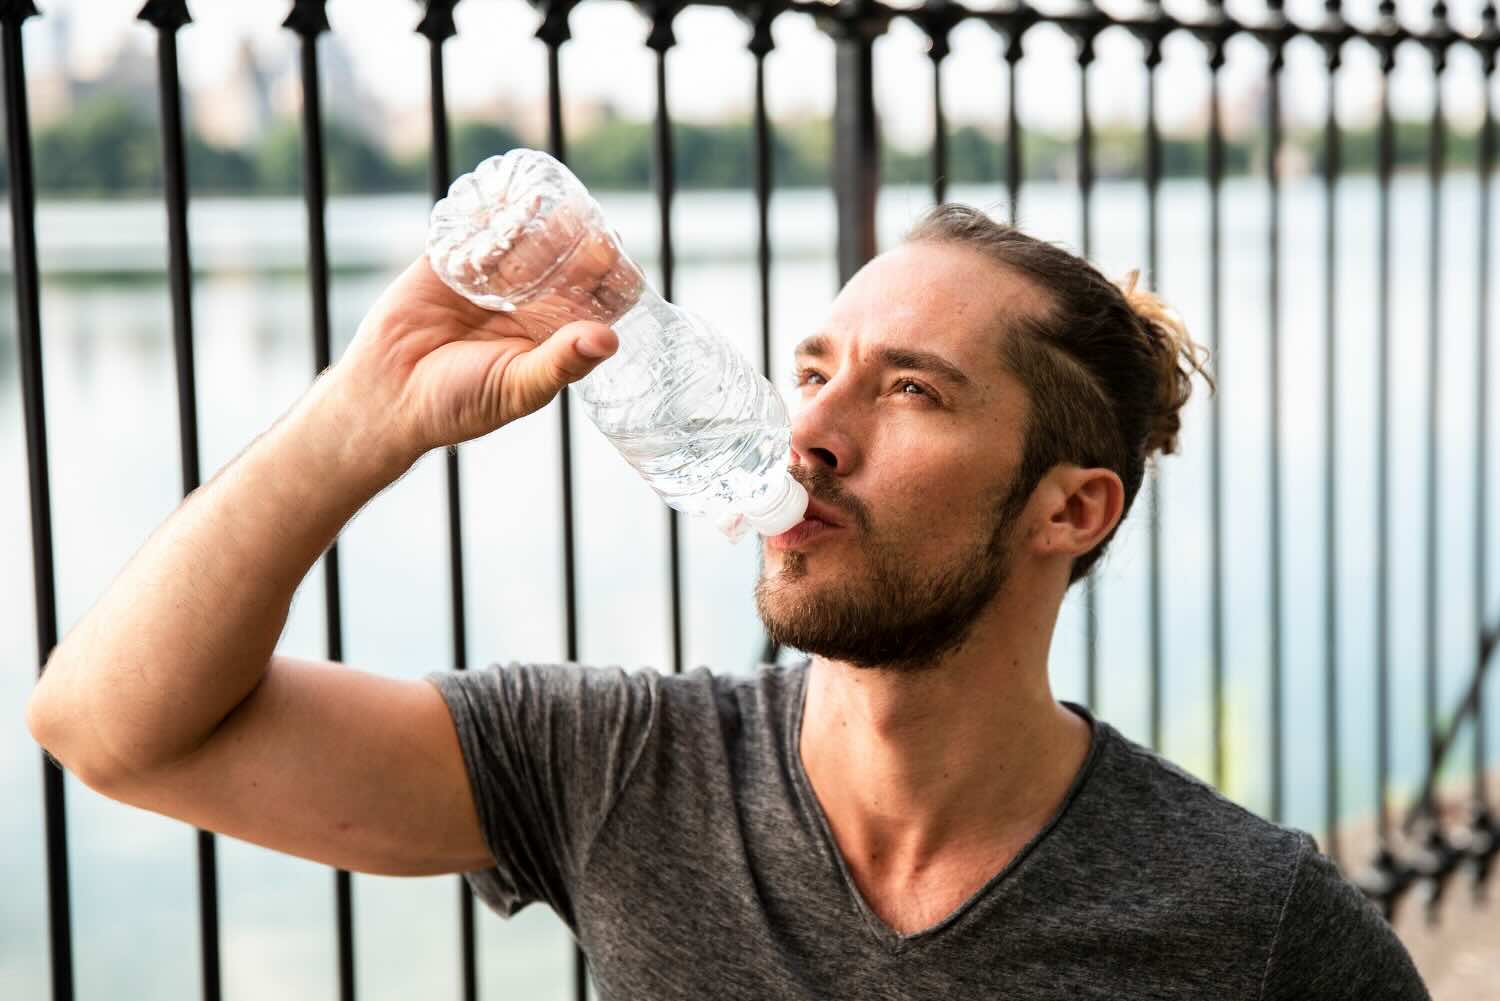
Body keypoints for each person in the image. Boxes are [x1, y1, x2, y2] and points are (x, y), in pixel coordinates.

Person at [27, 204, 1429, 999]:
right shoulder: (616, 768)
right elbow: (114, 729)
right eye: (814, 368)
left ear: (1072, 507)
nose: (809, 429)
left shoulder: (1257, 928)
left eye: (910, 389)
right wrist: (361, 415)